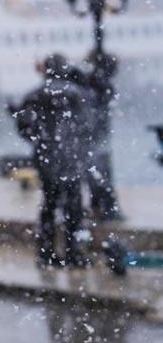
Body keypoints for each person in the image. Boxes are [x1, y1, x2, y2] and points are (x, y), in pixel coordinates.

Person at [12, 54, 93, 267]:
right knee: (73, 206)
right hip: (70, 157)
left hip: (46, 156)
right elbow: (87, 127)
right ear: (64, 69)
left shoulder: (34, 95)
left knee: (49, 204)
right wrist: (77, 146)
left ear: (46, 70)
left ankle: (46, 253)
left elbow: (23, 127)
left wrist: (39, 142)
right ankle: (73, 252)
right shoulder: (76, 94)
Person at [67, 49, 122, 220]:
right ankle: (104, 208)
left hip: (91, 137)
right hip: (97, 137)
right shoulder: (103, 87)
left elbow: (77, 77)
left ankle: (103, 209)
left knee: (96, 174)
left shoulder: (98, 86)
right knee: (100, 174)